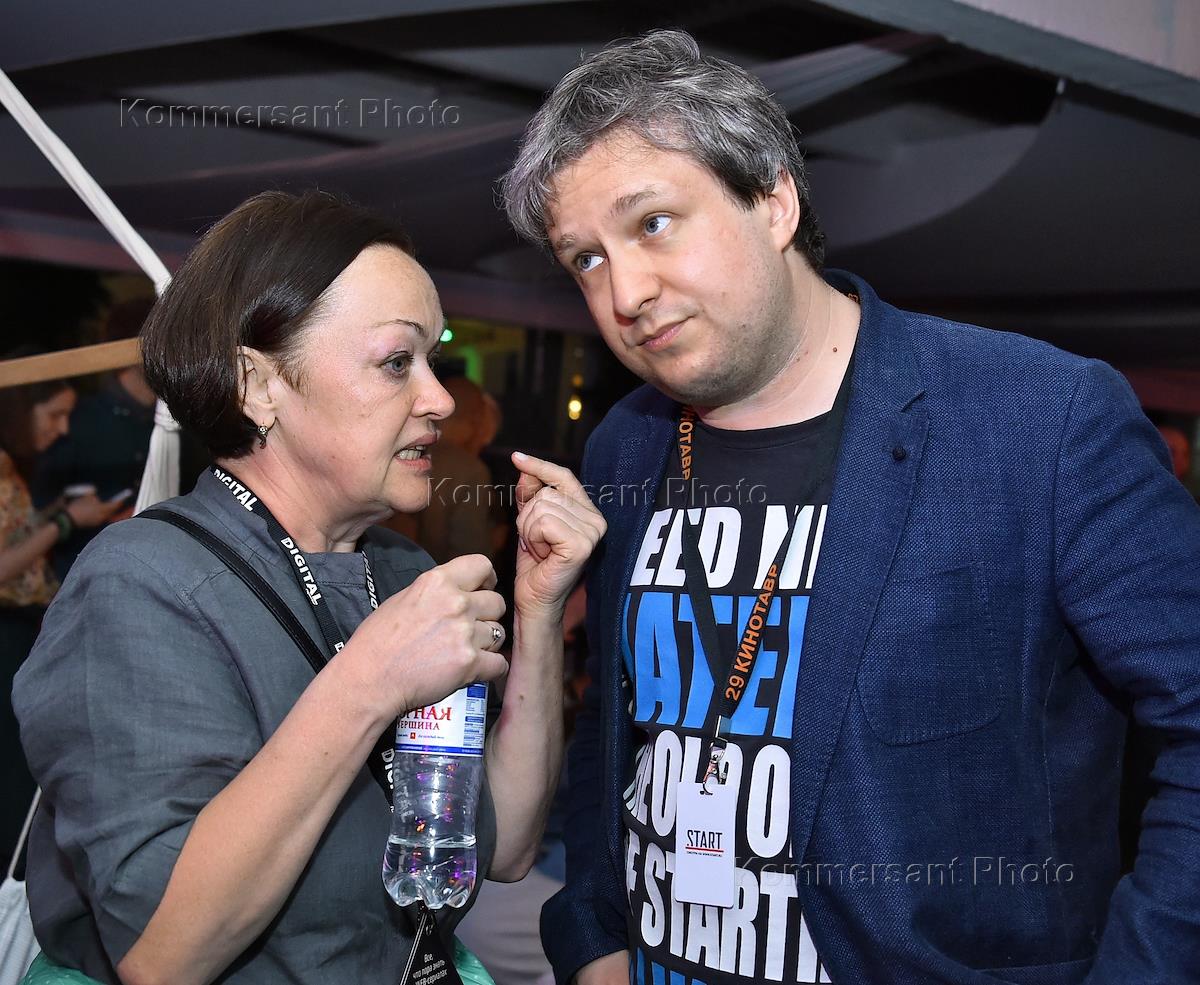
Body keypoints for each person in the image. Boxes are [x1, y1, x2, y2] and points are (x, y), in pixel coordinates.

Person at [500, 29, 1200, 985]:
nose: (625, 292)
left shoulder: (1038, 418)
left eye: (652, 222)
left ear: (774, 200)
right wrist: (596, 939)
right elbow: (617, 726)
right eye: (585, 258)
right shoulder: (630, 442)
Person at [13, 189, 605, 985]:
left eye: (431, 360)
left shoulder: (401, 571)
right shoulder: (141, 583)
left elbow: (506, 847)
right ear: (257, 386)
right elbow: (163, 953)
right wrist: (367, 681)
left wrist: (536, 612)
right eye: (396, 362)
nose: (438, 398)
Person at [0, 360, 126, 874]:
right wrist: (66, 521)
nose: (63, 428)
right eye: (54, 414)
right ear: (21, 408)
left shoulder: (13, 467)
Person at [32, 299, 207, 578]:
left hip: (169, 570)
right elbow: (38, 516)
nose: (182, 350)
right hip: (91, 577)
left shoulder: (186, 418)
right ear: (132, 348)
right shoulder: (75, 422)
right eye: (170, 338)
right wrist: (87, 520)